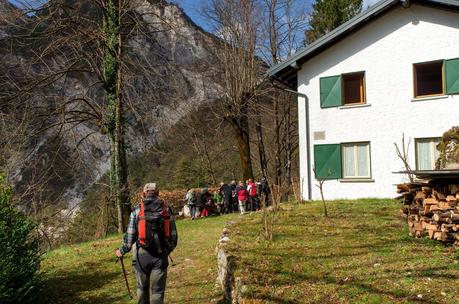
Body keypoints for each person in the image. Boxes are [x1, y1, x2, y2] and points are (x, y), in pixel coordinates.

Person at [115, 183, 178, 304]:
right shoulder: (166, 209)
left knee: (142, 289)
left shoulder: (137, 209)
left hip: (141, 256)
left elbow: (130, 238)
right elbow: (174, 237)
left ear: (144, 194)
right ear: (158, 193)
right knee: (157, 292)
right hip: (160, 256)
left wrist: (121, 251)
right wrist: (165, 250)